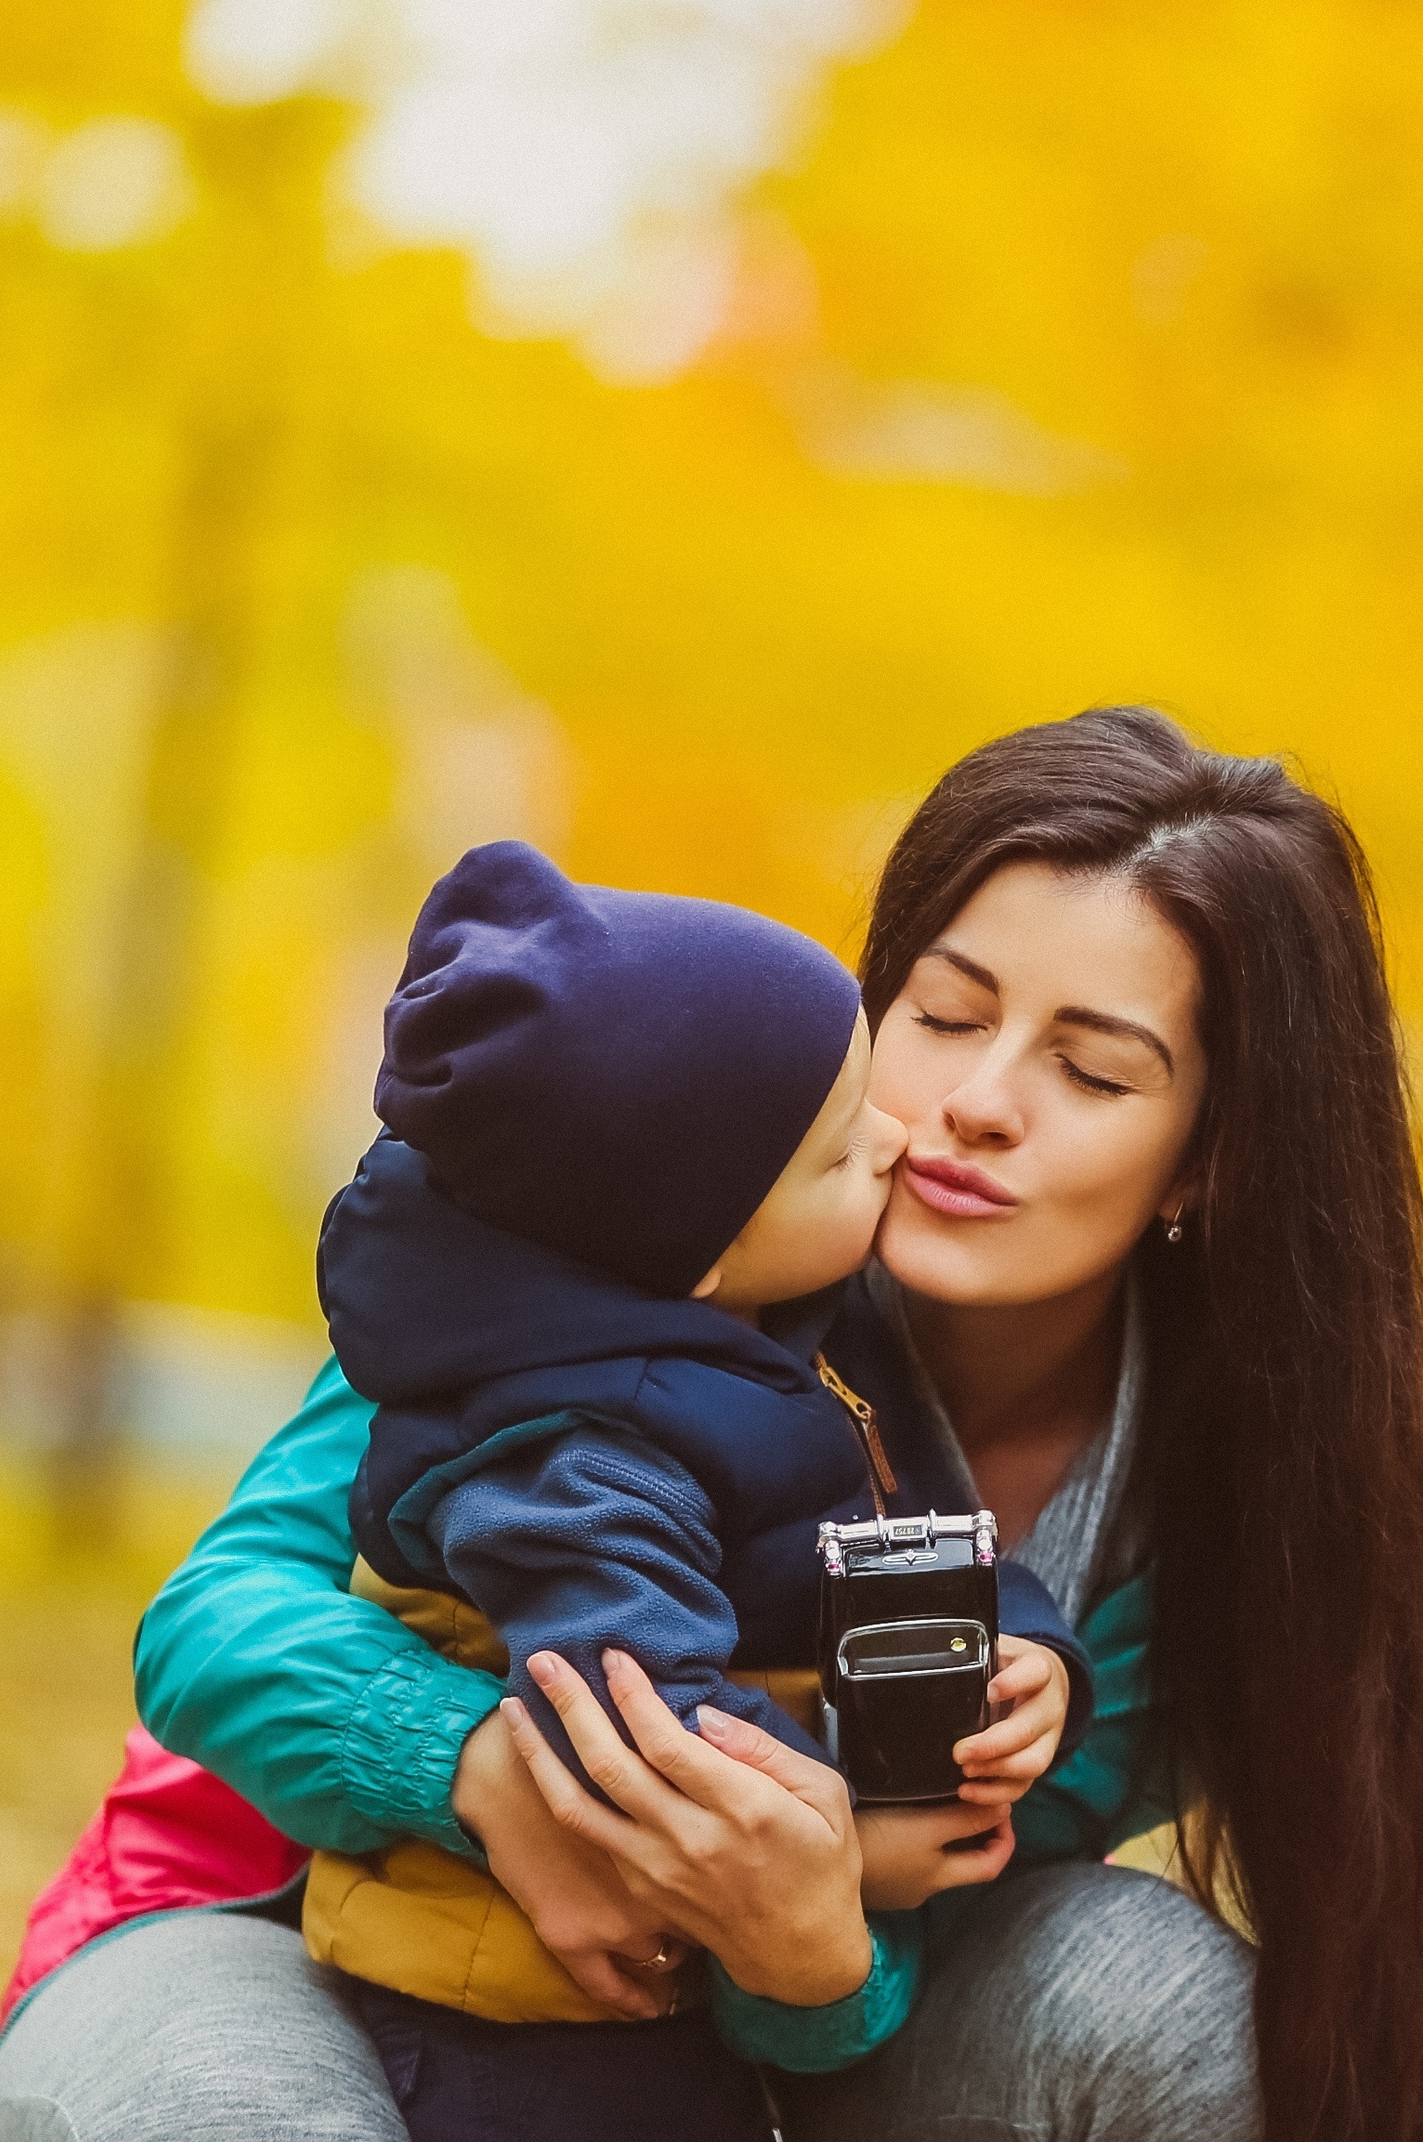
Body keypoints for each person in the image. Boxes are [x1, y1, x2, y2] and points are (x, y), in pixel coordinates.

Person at [0, 707, 1423, 2142]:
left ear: (1211, 1162)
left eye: (1088, 1068)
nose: (978, 1102)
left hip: (726, 2048)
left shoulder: (1204, 1548)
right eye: (945, 1013)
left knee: (1164, 2003)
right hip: (267, 1926)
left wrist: (805, 1943)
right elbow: (214, 1622)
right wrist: (490, 1771)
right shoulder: (625, 1253)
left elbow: (896, 1930)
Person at [301, 841, 1088, 2141]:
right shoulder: (576, 1463)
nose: (898, 1137)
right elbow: (638, 1732)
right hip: (518, 2010)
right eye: (841, 1153)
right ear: (704, 1261)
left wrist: (1028, 1644)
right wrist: (843, 1842)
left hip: (682, 1983)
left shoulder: (787, 1327)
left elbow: (896, 1537)